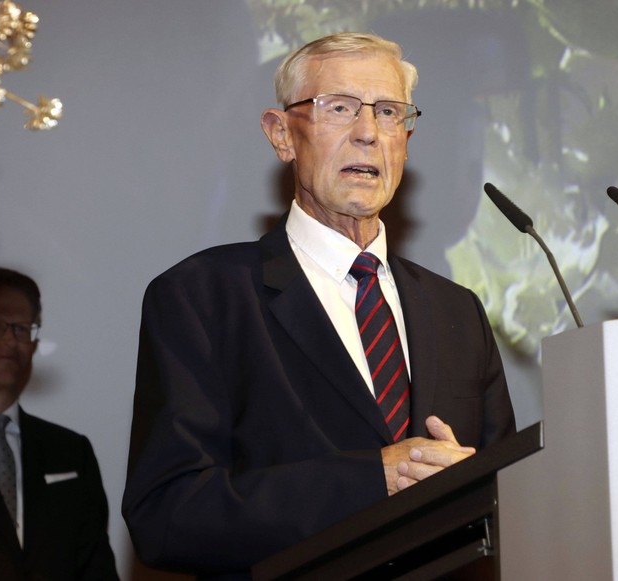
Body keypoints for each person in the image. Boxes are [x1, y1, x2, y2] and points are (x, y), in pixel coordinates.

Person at [122, 32, 515, 579]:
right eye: (339, 109)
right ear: (281, 134)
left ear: (406, 137)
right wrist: (372, 479)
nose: (367, 134)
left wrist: (480, 486)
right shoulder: (203, 296)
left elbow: (511, 504)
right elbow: (168, 515)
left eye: (387, 113)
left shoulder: (457, 312)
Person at [0, 266, 119, 580]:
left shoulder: (70, 451)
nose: (9, 341)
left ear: (35, 344)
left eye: (21, 329)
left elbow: (96, 569)